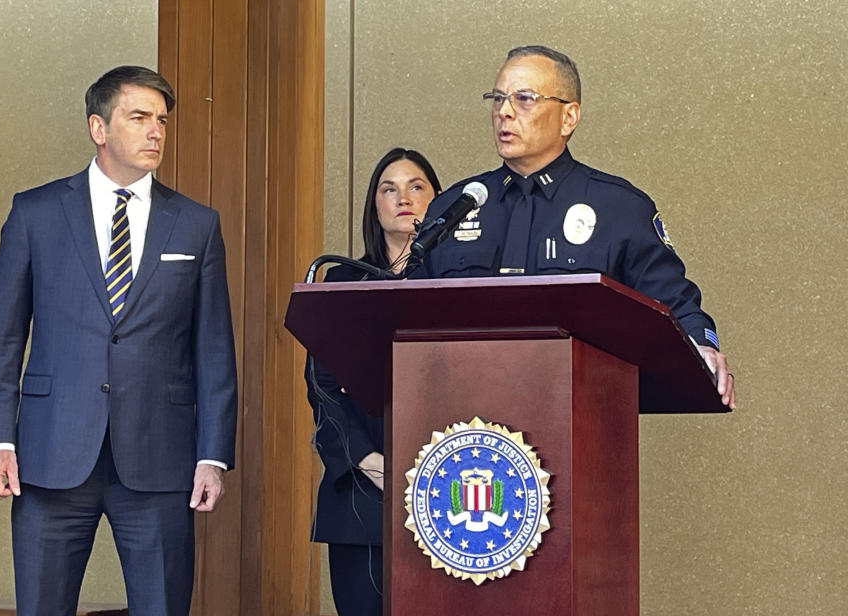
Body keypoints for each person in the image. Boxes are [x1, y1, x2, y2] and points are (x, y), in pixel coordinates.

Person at [0, 66, 238, 616]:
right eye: (139, 117)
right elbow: (1, 339)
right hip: (50, 456)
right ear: (98, 127)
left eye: (162, 120)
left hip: (160, 459)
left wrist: (213, 455)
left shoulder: (195, 224)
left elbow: (213, 352)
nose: (156, 132)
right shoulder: (36, 213)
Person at [417, 45, 735, 408]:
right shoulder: (455, 207)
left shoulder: (619, 208)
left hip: (579, 417)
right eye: (497, 98)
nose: (504, 112)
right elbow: (409, 313)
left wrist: (703, 346)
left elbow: (674, 305)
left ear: (569, 117)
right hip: (462, 421)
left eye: (524, 98)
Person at [307, 147, 441, 616]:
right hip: (361, 488)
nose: (403, 197)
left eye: (416, 186)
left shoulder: (461, 282)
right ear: (375, 206)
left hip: (447, 481)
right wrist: (366, 458)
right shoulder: (344, 282)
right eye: (389, 188)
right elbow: (323, 386)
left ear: (438, 201)